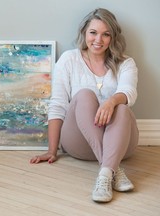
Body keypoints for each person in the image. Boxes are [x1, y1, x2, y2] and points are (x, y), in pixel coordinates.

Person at [30, 8, 139, 203]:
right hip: (80, 143)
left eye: (106, 34)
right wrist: (51, 150)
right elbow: (58, 105)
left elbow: (129, 92)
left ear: (113, 37)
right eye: (93, 32)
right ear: (84, 33)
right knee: (84, 95)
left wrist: (111, 102)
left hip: (121, 145)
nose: (98, 39)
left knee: (121, 105)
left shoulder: (126, 63)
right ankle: (113, 170)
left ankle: (106, 173)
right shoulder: (69, 59)